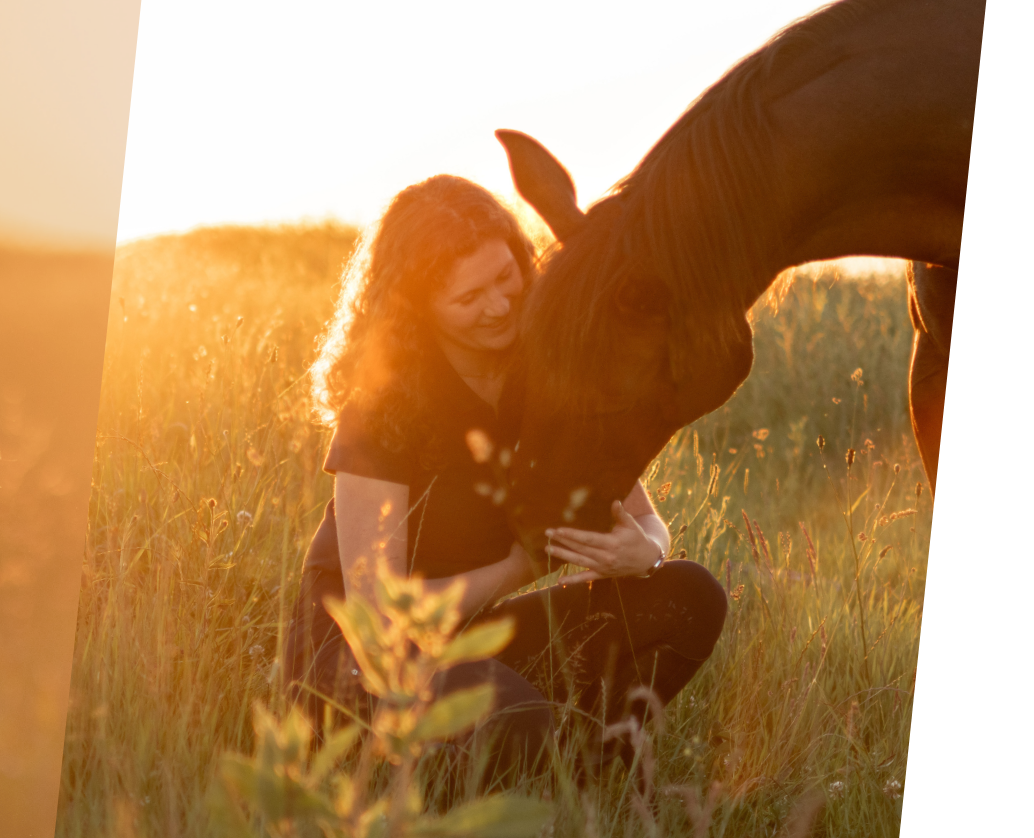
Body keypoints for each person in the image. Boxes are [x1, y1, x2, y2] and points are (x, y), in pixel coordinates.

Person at [285, 175, 726, 780]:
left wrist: (641, 550)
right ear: (418, 308)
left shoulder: (551, 370)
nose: (499, 306)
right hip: (361, 664)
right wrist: (518, 570)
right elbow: (378, 618)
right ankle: (509, 769)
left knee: (690, 595)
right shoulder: (383, 407)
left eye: (505, 277)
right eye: (468, 298)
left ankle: (595, 771)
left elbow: (646, 520)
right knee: (513, 718)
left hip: (472, 635)